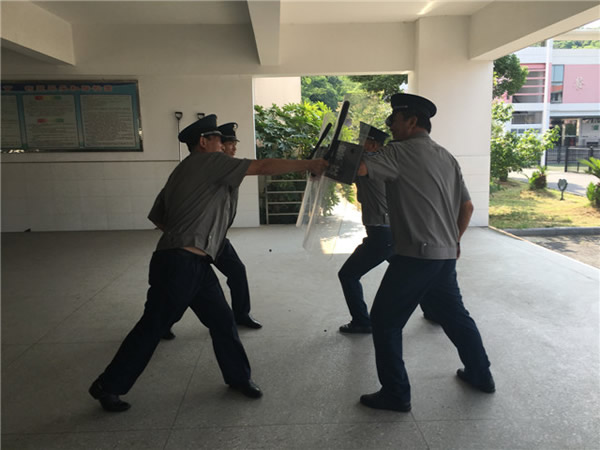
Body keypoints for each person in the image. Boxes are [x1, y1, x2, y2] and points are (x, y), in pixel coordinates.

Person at [89, 114, 328, 412]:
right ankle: (108, 385)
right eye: (219, 140)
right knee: (152, 327)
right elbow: (263, 167)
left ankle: (238, 378)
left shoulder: (183, 170)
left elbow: (158, 216)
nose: (225, 145)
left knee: (222, 321)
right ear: (203, 142)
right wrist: (309, 164)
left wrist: (190, 231)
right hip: (179, 264)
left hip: (195, 263)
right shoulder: (208, 161)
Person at [356, 93, 494, 413]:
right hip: (444, 255)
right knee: (455, 317)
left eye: (394, 119)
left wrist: (330, 158)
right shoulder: (447, 157)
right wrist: (453, 241)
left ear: (412, 121)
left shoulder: (398, 151)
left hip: (415, 256)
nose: (390, 126)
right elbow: (467, 207)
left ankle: (395, 394)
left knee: (384, 321)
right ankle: (480, 374)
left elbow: (359, 168)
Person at [162, 122, 260, 341]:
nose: (232, 148)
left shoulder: (226, 167)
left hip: (217, 238)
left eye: (233, 143)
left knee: (236, 271)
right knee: (186, 288)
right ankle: (162, 323)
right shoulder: (204, 168)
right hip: (195, 242)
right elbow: (160, 212)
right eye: (229, 143)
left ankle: (241, 314)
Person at [338, 122, 393, 334]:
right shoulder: (384, 162)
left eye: (362, 141)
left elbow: (346, 170)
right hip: (390, 230)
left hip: (381, 233)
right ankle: (435, 309)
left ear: (372, 145)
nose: (358, 144)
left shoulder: (369, 163)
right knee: (410, 273)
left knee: (348, 275)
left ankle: (362, 321)